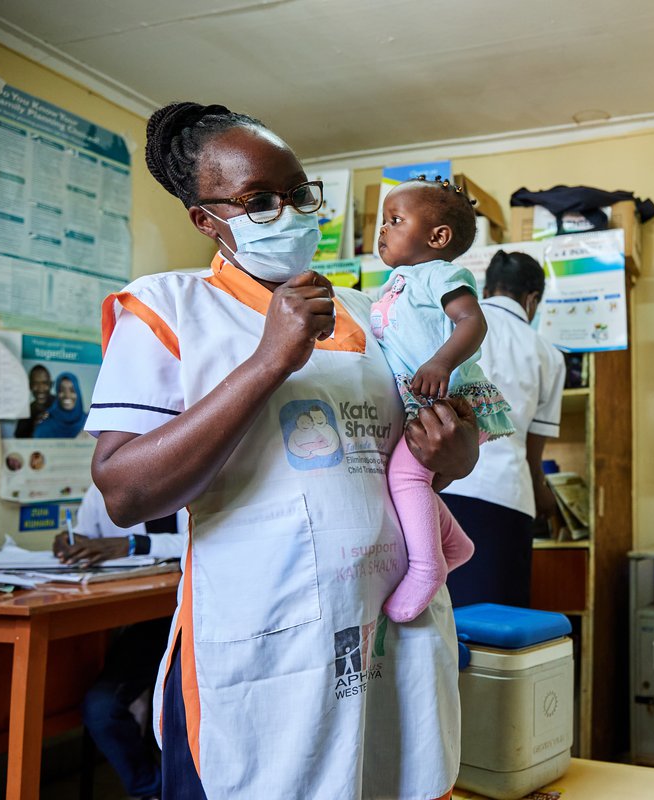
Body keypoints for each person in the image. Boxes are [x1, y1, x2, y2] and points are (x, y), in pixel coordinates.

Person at [87, 101, 478, 800]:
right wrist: (270, 358)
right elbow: (124, 491)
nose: (291, 213)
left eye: (299, 194)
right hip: (268, 643)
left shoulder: (372, 310)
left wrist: (454, 451)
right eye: (259, 201)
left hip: (395, 636)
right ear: (207, 220)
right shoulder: (169, 307)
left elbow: (424, 463)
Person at [370, 176, 514, 622]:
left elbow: (472, 321)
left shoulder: (439, 273)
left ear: (437, 237)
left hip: (443, 397)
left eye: (395, 220)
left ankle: (429, 566)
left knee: (406, 481)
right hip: (423, 399)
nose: (383, 230)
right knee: (417, 484)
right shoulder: (395, 283)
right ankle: (454, 543)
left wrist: (440, 362)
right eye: (384, 220)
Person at [441, 250, 565, 607]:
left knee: (441, 613)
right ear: (532, 299)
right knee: (496, 620)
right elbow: (533, 451)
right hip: (506, 497)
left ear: (487, 286)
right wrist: (545, 497)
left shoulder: (451, 327)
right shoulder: (547, 353)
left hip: (440, 486)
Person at [52, 483, 189, 800]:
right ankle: (152, 790)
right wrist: (69, 543)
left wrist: (130, 544)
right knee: (101, 708)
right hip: (145, 623)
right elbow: (85, 536)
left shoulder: (193, 473)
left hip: (192, 617)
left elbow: (198, 539)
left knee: (182, 713)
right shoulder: (105, 484)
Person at [33, 372, 88, 438]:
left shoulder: (89, 423)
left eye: (72, 390)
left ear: (78, 393)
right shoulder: (44, 427)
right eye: (62, 390)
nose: (67, 395)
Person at [14, 364, 54, 438]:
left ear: (51, 384)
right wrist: (35, 429)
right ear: (29, 386)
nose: (40, 389)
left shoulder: (61, 406)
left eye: (44, 383)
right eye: (35, 383)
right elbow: (19, 439)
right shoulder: (25, 414)